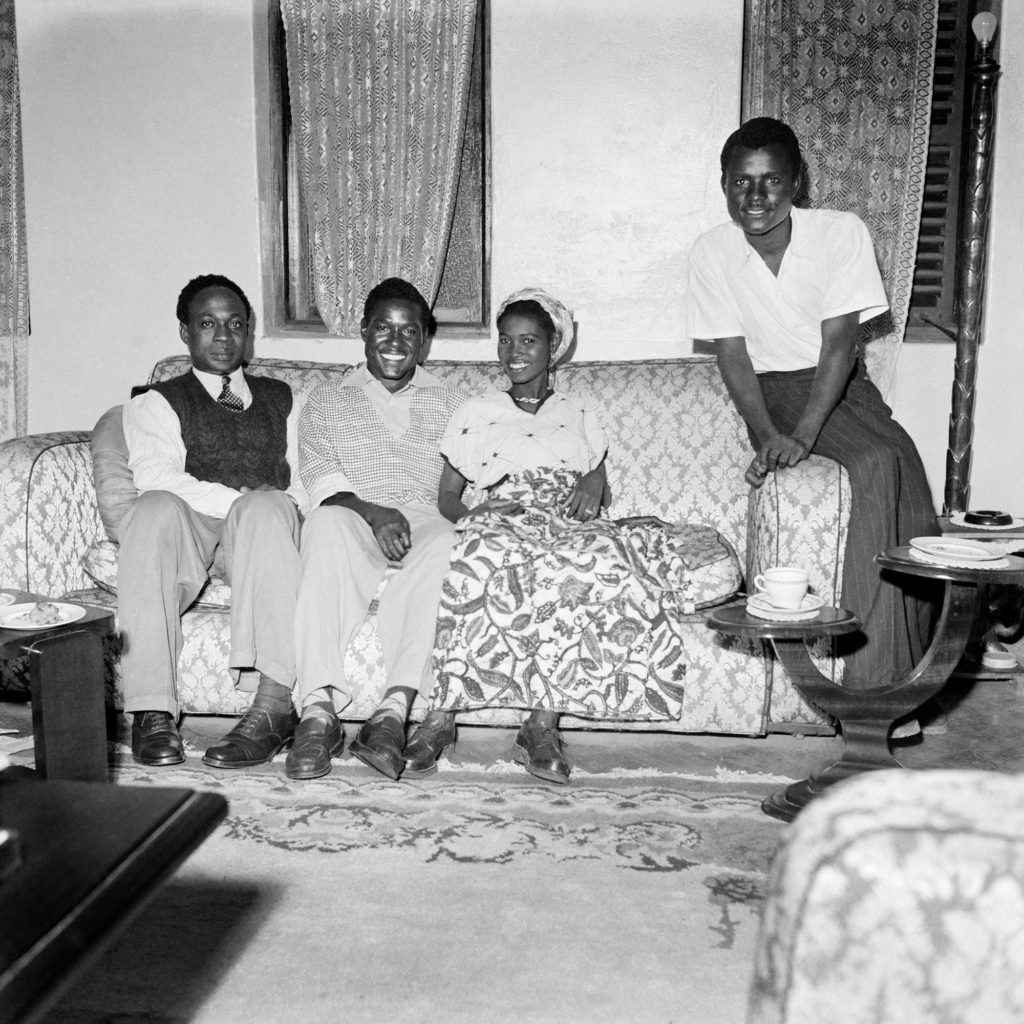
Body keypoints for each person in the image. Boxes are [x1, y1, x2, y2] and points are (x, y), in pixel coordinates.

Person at [426, 288, 721, 784]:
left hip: (565, 514)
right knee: (477, 555)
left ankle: (541, 725)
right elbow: (447, 499)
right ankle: (440, 716)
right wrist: (478, 511)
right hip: (504, 508)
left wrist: (592, 480)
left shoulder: (578, 410)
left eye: (528, 341)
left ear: (552, 347)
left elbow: (597, 479)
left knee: (593, 563)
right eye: (505, 341)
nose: (514, 352)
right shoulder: (476, 410)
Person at [687, 116, 938, 692]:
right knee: (876, 465)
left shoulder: (840, 231)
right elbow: (733, 359)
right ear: (723, 185)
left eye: (771, 180)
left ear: (797, 182)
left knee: (911, 486)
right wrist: (771, 432)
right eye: (740, 181)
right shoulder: (711, 252)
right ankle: (870, 685)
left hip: (841, 385)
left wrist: (804, 433)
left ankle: (910, 667)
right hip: (770, 393)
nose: (755, 196)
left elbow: (840, 347)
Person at [120, 274, 306, 768]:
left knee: (268, 509)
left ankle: (272, 708)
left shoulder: (283, 396)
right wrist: (238, 500)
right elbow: (158, 478)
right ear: (185, 332)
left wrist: (279, 503)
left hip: (265, 531)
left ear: (248, 333)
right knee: (153, 509)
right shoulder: (156, 400)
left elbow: (310, 472)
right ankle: (152, 709)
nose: (223, 337)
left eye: (235, 324)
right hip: (195, 523)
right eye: (208, 323)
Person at [284, 277, 466, 781]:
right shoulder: (327, 399)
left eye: (409, 331)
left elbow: (467, 480)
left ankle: (393, 710)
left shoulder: (453, 404)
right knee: (321, 526)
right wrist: (374, 512)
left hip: (427, 518)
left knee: (450, 544)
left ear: (424, 340)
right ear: (363, 331)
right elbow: (319, 475)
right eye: (383, 327)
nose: (395, 341)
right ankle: (318, 711)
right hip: (354, 512)